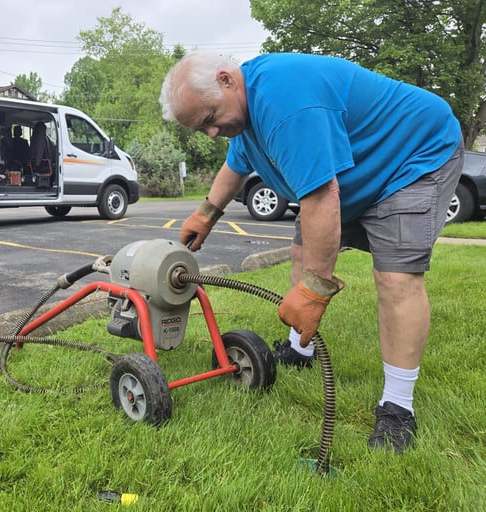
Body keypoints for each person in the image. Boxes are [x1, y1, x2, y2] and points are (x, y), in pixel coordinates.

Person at [159, 50, 463, 453]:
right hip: (353, 173)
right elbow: (237, 164)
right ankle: (299, 347)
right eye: (202, 128)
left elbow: (321, 196)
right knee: (303, 251)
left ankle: (397, 406)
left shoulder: (286, 101)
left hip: (412, 158)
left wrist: (315, 291)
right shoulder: (243, 113)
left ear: (227, 80)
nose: (212, 133)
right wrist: (206, 213)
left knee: (395, 276)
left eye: (211, 118)